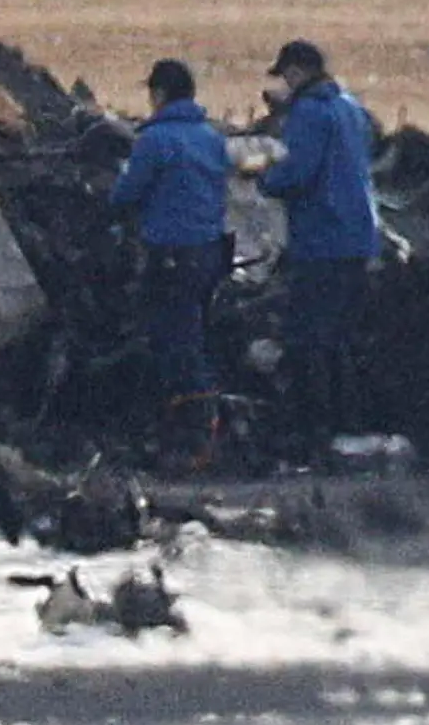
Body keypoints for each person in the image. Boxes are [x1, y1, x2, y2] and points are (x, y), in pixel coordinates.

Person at [253, 38, 379, 446]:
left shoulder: (309, 112)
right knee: (342, 335)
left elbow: (297, 173)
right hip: (360, 236)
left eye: (287, 73)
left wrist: (261, 177)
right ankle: (351, 424)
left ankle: (317, 427)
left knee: (310, 335)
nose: (286, 82)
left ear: (298, 70)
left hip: (322, 238)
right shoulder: (349, 107)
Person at [108, 58, 230, 470]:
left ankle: (194, 441)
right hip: (210, 253)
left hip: (172, 255)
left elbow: (124, 194)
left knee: (175, 343)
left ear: (159, 95)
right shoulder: (211, 138)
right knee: (191, 332)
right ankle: (193, 432)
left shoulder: (155, 140)